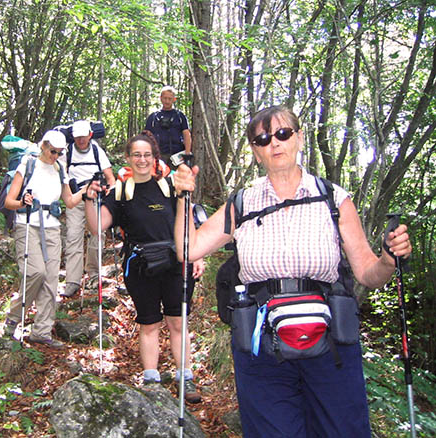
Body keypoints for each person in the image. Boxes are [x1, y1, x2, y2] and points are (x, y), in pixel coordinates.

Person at [172, 105, 413, 437]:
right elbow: (189, 249)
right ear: (256, 153)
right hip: (261, 343)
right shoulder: (242, 204)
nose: (275, 143)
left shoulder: (333, 200)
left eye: (283, 133)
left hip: (330, 343)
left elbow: (367, 273)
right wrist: (183, 197)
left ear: (299, 138)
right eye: (263, 138)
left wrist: (388, 259)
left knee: (342, 430)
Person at [84, 131, 205, 403]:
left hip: (176, 263)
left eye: (146, 155)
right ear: (128, 159)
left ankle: (185, 376)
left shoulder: (170, 187)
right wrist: (90, 200)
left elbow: (187, 222)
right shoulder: (120, 193)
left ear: (154, 158)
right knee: (149, 322)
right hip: (140, 267)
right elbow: (96, 226)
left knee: (178, 320)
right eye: (136, 155)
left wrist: (197, 255)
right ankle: (151, 379)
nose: (141, 160)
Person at [3, 130, 85, 349]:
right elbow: (9, 201)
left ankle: (42, 331)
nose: (55, 156)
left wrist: (86, 191)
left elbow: (69, 201)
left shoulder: (60, 170)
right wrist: (23, 202)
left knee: (50, 280)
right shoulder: (27, 166)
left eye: (59, 152)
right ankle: (13, 318)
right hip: (27, 224)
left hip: (52, 227)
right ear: (43, 146)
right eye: (52, 151)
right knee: (35, 272)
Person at [59, 120, 115, 297]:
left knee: (97, 236)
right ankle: (72, 281)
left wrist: (110, 193)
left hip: (96, 198)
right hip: (76, 199)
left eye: (83, 137)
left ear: (90, 135)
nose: (80, 140)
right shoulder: (67, 152)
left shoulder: (97, 151)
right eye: (77, 137)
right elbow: (62, 176)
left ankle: (93, 274)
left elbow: (110, 177)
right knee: (73, 237)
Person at [145, 86, 192, 165]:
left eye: (170, 99)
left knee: (177, 177)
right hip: (158, 156)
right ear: (160, 98)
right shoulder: (153, 117)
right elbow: (146, 136)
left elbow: (186, 135)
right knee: (159, 177)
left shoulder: (180, 116)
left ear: (174, 99)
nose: (167, 101)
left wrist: (187, 154)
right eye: (165, 98)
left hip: (177, 155)